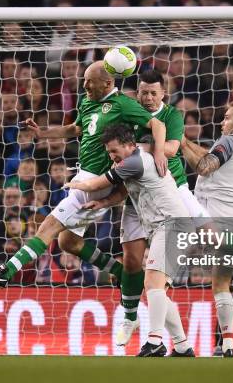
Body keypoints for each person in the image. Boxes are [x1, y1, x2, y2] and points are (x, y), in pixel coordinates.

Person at [0, 61, 167, 289]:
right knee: (68, 241)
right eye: (84, 80)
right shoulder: (87, 102)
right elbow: (74, 129)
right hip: (81, 174)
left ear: (107, 83)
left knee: (49, 224)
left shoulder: (123, 104)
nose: (84, 85)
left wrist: (160, 153)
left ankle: (6, 271)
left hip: (99, 180)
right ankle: (121, 273)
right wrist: (43, 132)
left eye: (89, 82)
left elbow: (158, 125)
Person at [89, 70, 209, 346]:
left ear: (163, 93)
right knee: (132, 262)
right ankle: (139, 322)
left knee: (209, 236)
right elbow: (116, 146)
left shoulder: (172, 117)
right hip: (136, 198)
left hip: (172, 190)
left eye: (154, 93)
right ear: (137, 92)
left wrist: (143, 148)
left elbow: (169, 149)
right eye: (143, 92)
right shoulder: (130, 114)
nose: (148, 97)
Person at [64, 123, 195, 357]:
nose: (112, 156)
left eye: (115, 151)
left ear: (130, 145)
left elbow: (98, 183)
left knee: (152, 284)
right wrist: (103, 203)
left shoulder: (136, 160)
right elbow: (123, 192)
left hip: (173, 225)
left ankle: (155, 341)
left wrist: (76, 185)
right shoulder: (134, 164)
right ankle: (182, 345)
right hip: (167, 227)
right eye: (109, 153)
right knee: (157, 290)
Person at [180, 100, 233, 357]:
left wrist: (179, 142)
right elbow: (211, 158)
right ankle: (228, 344)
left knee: (162, 268)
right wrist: (184, 142)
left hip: (212, 219)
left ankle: (168, 340)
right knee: (221, 283)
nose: (221, 122)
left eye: (226, 118)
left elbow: (204, 166)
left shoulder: (229, 141)